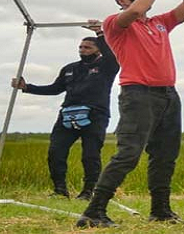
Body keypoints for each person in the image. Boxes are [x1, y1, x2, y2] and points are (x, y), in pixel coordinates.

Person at [77, 0, 184, 228]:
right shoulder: (116, 23)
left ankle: (161, 210)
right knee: (128, 154)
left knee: (166, 154)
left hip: (168, 95)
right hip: (138, 95)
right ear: (122, 1)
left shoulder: (159, 23)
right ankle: (94, 211)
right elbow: (135, 12)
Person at [11, 21, 119, 200]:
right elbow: (55, 89)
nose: (82, 50)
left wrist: (101, 34)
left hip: (95, 116)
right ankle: (60, 190)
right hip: (67, 115)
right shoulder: (69, 69)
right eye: (80, 47)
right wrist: (26, 87)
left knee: (90, 155)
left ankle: (88, 191)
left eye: (87, 47)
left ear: (98, 49)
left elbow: (112, 56)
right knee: (56, 152)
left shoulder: (107, 66)